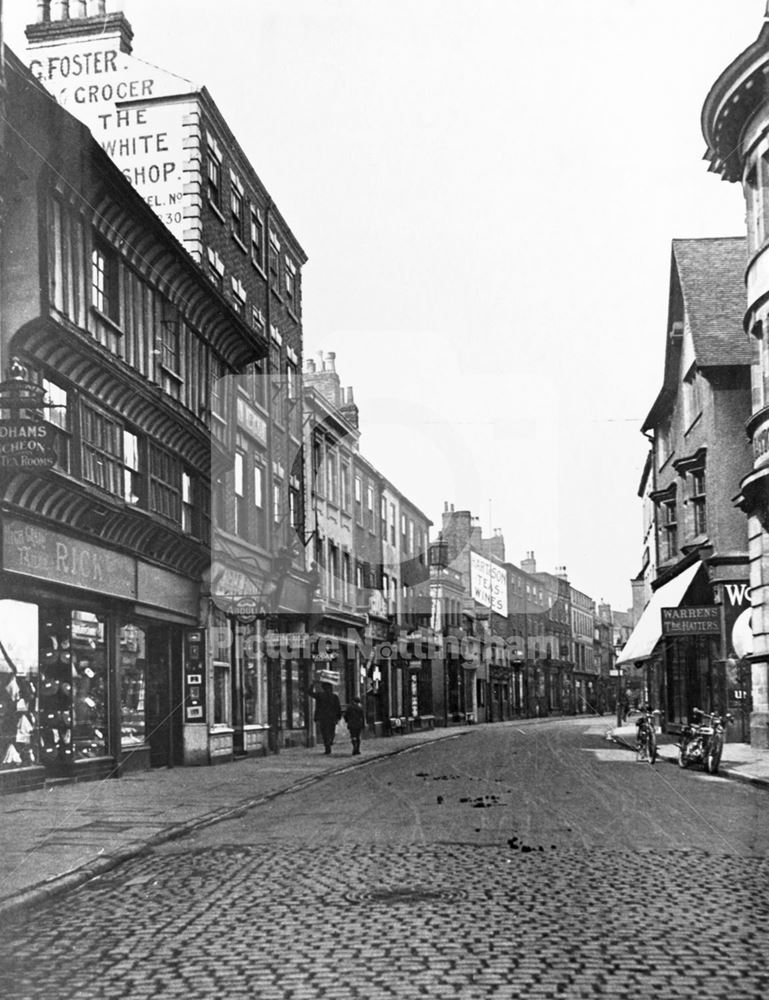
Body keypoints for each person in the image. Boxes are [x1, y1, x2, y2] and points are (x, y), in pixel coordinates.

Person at [310, 681, 342, 754]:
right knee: (331, 731)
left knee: (324, 732)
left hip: (323, 717)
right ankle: (330, 741)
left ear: (323, 688)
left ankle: (327, 745)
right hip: (332, 718)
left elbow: (310, 693)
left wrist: (313, 685)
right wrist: (338, 717)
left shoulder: (320, 695)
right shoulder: (334, 696)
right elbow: (338, 707)